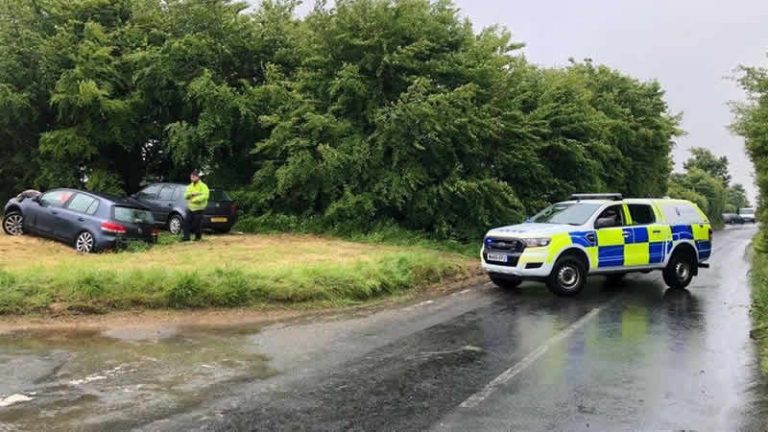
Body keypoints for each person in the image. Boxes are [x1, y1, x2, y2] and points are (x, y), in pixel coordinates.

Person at [182, 170, 210, 242]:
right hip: (190, 208)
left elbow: (205, 196)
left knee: (197, 224)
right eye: (191, 177)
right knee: (186, 222)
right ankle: (186, 237)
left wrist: (195, 199)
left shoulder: (203, 186)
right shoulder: (189, 186)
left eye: (194, 177)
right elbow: (185, 196)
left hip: (199, 208)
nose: (192, 179)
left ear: (198, 177)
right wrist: (191, 194)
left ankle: (198, 237)